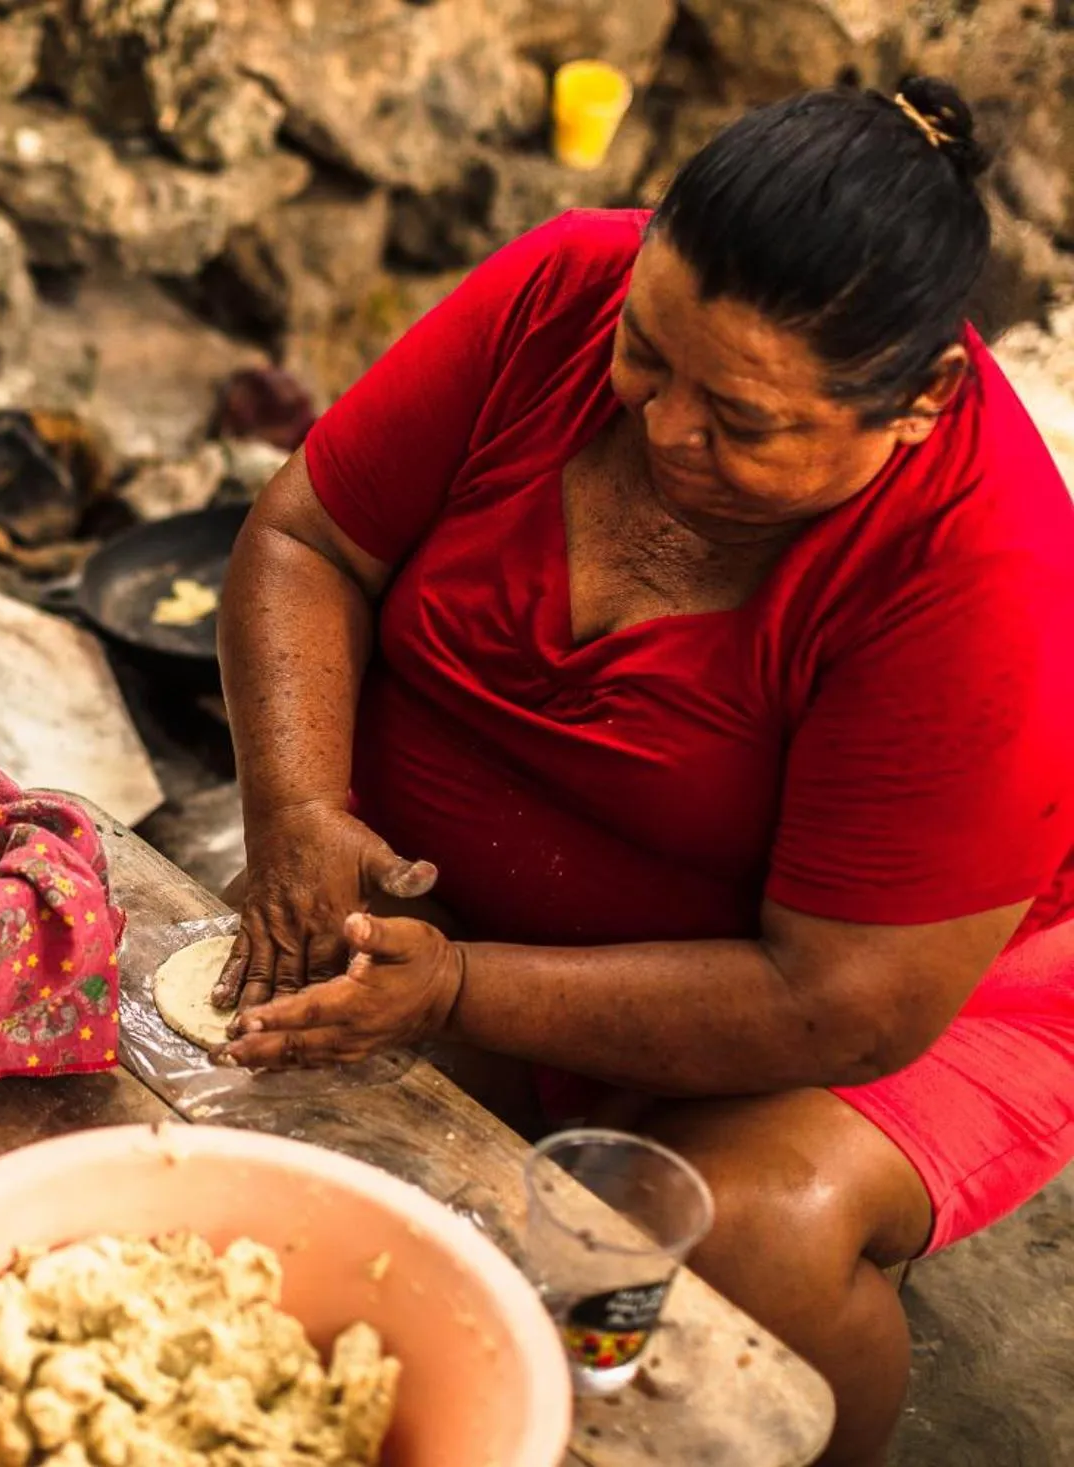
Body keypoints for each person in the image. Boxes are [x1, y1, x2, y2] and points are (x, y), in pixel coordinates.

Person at [213, 79, 1074, 1467]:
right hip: (491, 917)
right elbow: (310, 540)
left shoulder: (989, 578)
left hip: (886, 979)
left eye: (743, 422)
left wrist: (461, 987)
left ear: (919, 405)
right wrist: (302, 805)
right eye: (645, 356)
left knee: (726, 1231)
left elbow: (843, 1000)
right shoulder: (563, 283)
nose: (667, 429)